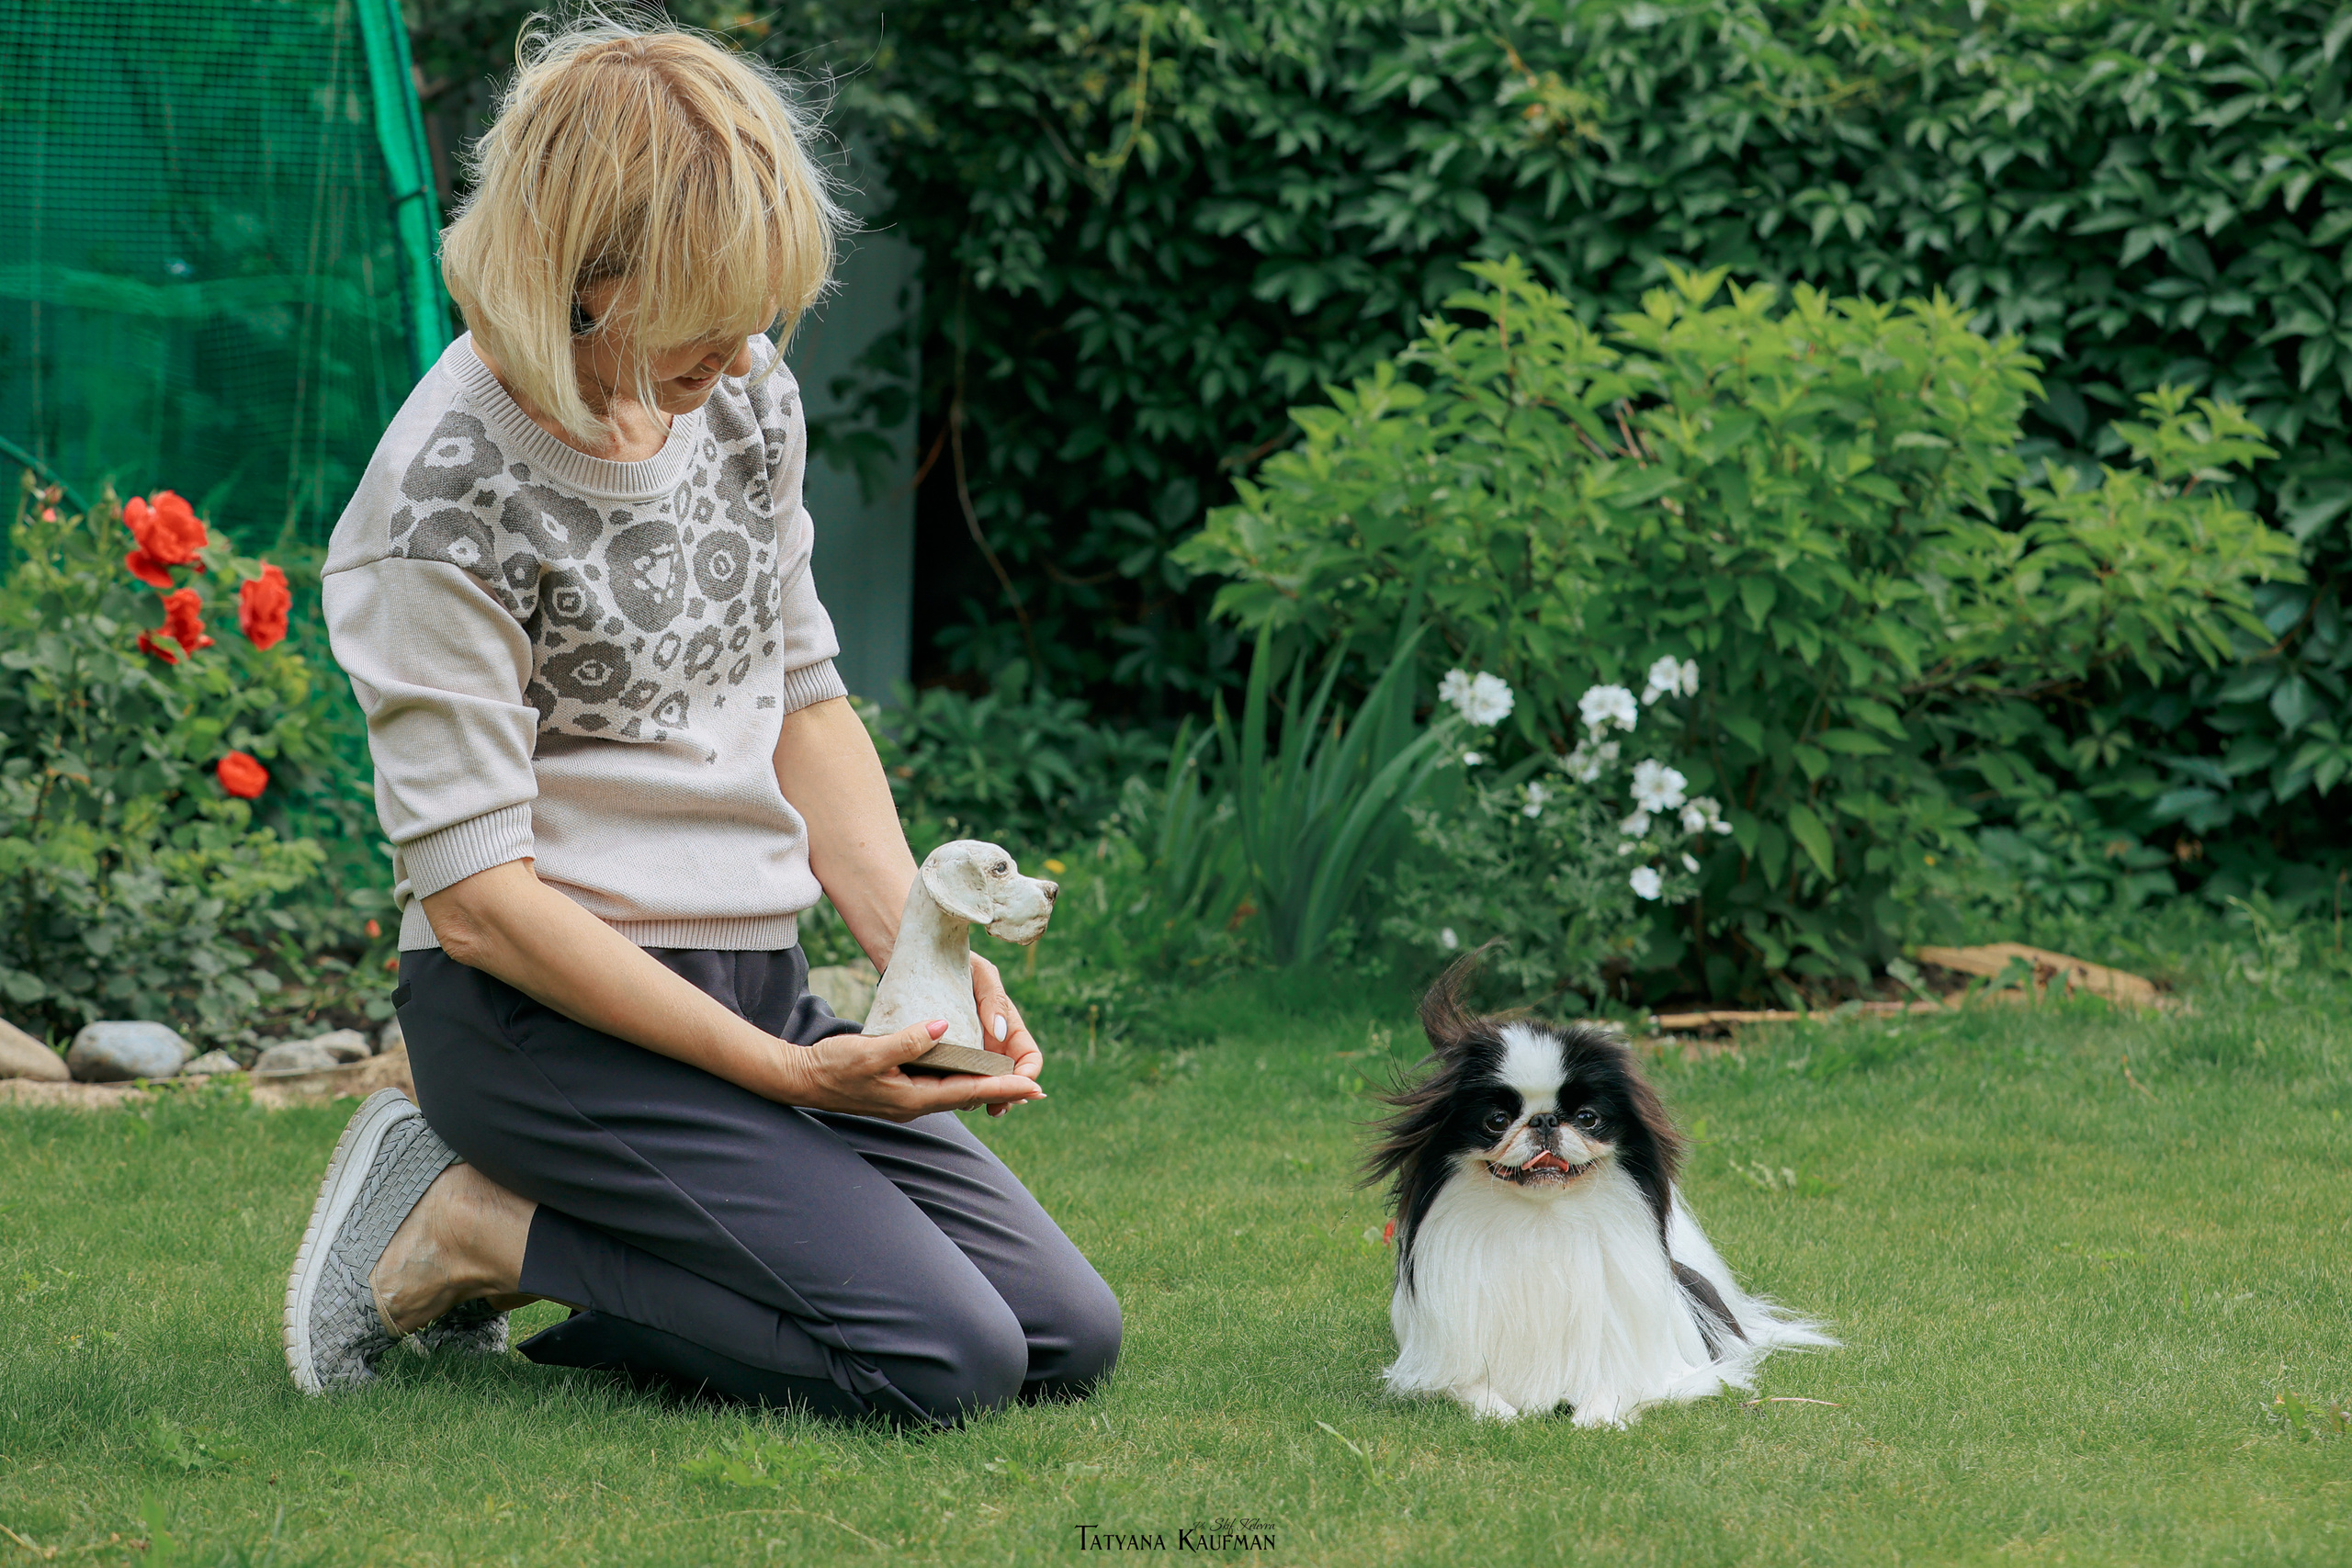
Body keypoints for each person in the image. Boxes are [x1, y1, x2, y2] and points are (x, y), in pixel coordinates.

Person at [283, 16, 1119, 1427]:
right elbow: (482, 903)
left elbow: (803, 696)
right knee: (944, 1363)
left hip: (750, 974)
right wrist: (788, 1077)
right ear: (577, 272)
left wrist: (917, 954)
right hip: (538, 1021)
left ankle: (600, 1252)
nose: (741, 357)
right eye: (704, 311)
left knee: (1059, 1334)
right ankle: (473, 1228)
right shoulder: (438, 499)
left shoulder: (742, 402)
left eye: (757, 312)